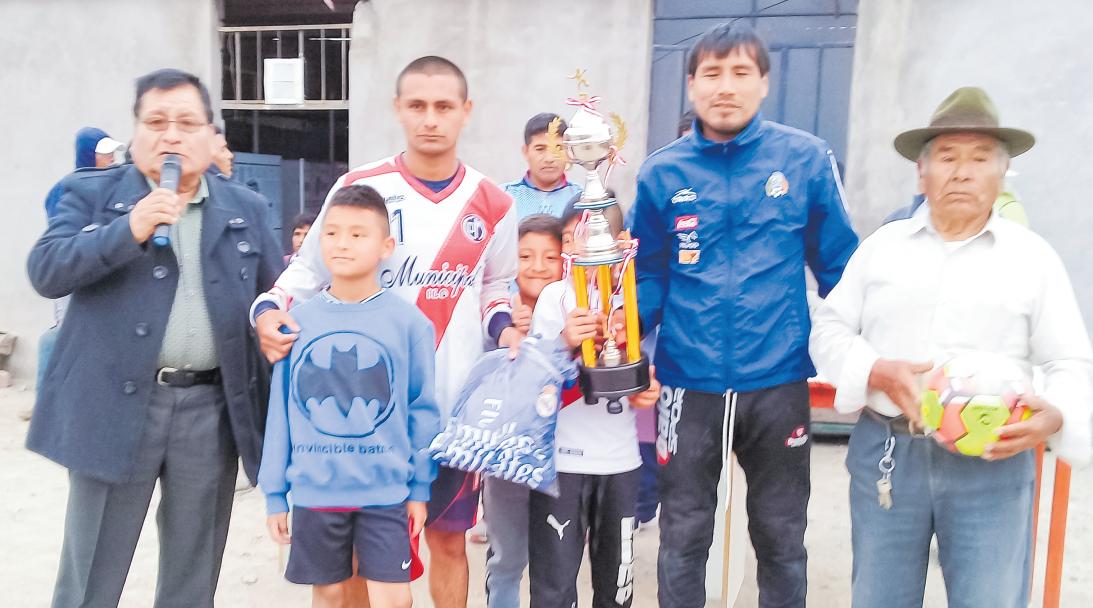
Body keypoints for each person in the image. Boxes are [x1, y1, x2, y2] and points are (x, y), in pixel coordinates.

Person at [251, 55, 519, 608]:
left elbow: (496, 287)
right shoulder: (359, 187)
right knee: (354, 556)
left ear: (466, 111)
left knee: (448, 543)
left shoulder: (495, 203)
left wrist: (506, 328)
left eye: (443, 106)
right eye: (417, 105)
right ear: (398, 108)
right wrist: (266, 310)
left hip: (453, 412)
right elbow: (307, 272)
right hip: (367, 419)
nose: (430, 119)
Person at [809, 86, 1093, 608]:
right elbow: (829, 329)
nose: (962, 172)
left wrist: (1056, 417)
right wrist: (875, 370)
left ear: (1002, 173)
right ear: (922, 172)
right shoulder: (882, 248)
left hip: (995, 462)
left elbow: (1068, 359)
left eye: (980, 158)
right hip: (889, 454)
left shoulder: (1033, 259)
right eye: (946, 157)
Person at [26, 68, 283, 607]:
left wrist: (269, 319)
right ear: (135, 131)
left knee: (194, 571)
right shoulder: (89, 193)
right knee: (91, 571)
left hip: (210, 410)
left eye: (187, 123)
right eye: (156, 122)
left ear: (210, 136)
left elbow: (274, 294)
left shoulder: (246, 208)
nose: (171, 135)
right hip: (114, 406)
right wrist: (129, 229)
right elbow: (47, 270)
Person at [630, 23, 859, 608]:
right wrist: (622, 344)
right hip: (688, 382)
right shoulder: (661, 173)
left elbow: (840, 267)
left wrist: (865, 356)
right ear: (691, 85)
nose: (725, 87)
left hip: (777, 381)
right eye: (712, 74)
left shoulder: (804, 159)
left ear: (764, 83)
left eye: (740, 73)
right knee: (683, 535)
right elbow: (647, 275)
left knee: (781, 536)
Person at [260, 184, 440, 608]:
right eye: (332, 233)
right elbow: (281, 413)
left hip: (386, 490)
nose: (342, 243)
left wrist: (419, 488)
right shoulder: (297, 323)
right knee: (330, 594)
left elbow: (423, 411)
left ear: (385, 246)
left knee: (395, 599)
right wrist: (274, 494)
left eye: (358, 234)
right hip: (316, 489)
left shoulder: (409, 323)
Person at [526, 206, 660, 608]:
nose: (578, 250)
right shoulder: (554, 297)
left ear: (619, 243)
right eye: (569, 240)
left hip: (619, 461)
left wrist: (645, 389)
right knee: (553, 588)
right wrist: (564, 341)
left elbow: (647, 373)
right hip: (561, 464)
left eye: (589, 239)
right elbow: (535, 379)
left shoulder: (631, 296)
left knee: (617, 587)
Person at [481, 214, 564, 608]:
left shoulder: (574, 310)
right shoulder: (498, 314)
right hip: (507, 457)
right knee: (507, 556)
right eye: (526, 256)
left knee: (556, 560)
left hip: (563, 456)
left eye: (550, 257)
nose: (538, 266)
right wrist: (511, 333)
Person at [37, 127, 126, 388]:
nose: (111, 158)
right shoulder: (68, 189)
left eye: (112, 153)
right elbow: (62, 238)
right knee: (68, 335)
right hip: (74, 272)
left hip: (104, 274)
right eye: (105, 153)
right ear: (89, 155)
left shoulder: (114, 185)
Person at [502, 113, 583, 219]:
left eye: (558, 148)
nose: (549, 159)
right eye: (540, 149)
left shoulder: (583, 199)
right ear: (525, 151)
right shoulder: (503, 197)